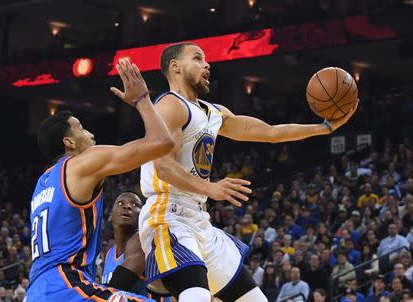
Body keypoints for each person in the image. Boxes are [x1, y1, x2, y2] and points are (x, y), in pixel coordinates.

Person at [138, 42, 357, 302]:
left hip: (198, 219)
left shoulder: (213, 113)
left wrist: (324, 128)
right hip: (167, 216)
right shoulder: (170, 105)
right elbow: (163, 167)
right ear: (175, 67)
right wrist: (211, 187)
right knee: (196, 295)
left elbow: (272, 133)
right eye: (197, 58)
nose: (207, 64)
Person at [25, 58, 174, 301]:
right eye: (81, 128)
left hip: (36, 291)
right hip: (66, 286)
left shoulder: (41, 185)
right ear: (69, 143)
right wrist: (142, 100)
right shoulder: (81, 163)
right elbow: (162, 143)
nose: (91, 134)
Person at [102, 192, 171, 301]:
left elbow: (115, 289)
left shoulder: (144, 241)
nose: (127, 206)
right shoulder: (109, 254)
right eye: (120, 203)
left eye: (135, 205)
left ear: (142, 215)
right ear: (110, 215)